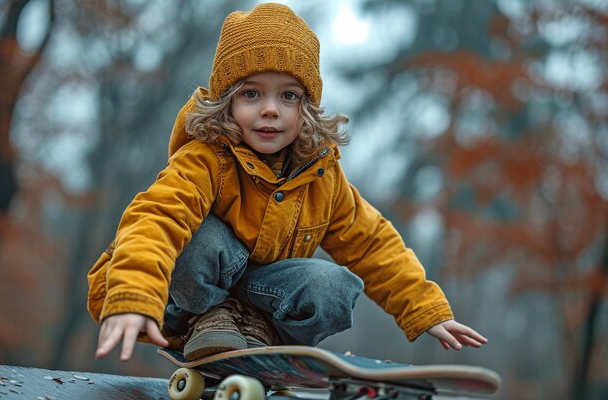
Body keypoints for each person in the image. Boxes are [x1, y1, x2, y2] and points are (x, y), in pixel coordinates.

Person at [87, 2, 487, 362]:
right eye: (251, 94)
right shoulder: (206, 158)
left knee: (335, 286)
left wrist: (426, 310)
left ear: (307, 108)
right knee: (199, 239)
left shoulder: (321, 176)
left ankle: (263, 335)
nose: (270, 110)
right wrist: (133, 297)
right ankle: (207, 320)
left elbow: (372, 242)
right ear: (227, 101)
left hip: (269, 299)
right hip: (196, 295)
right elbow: (156, 218)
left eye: (289, 96)